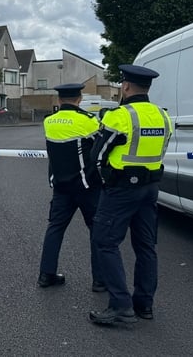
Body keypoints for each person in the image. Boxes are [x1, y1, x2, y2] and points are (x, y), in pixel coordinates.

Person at [88, 64, 172, 325]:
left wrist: (104, 180)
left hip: (121, 189)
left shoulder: (119, 116)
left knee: (105, 241)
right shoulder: (163, 116)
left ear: (125, 86)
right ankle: (144, 304)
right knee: (146, 246)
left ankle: (121, 305)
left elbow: (97, 155)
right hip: (150, 189)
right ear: (148, 88)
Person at [37, 83, 104, 292]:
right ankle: (99, 280)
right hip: (87, 186)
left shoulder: (49, 122)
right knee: (96, 230)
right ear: (79, 99)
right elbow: (100, 149)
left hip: (61, 187)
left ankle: (46, 275)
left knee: (55, 228)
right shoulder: (90, 122)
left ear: (59, 100)